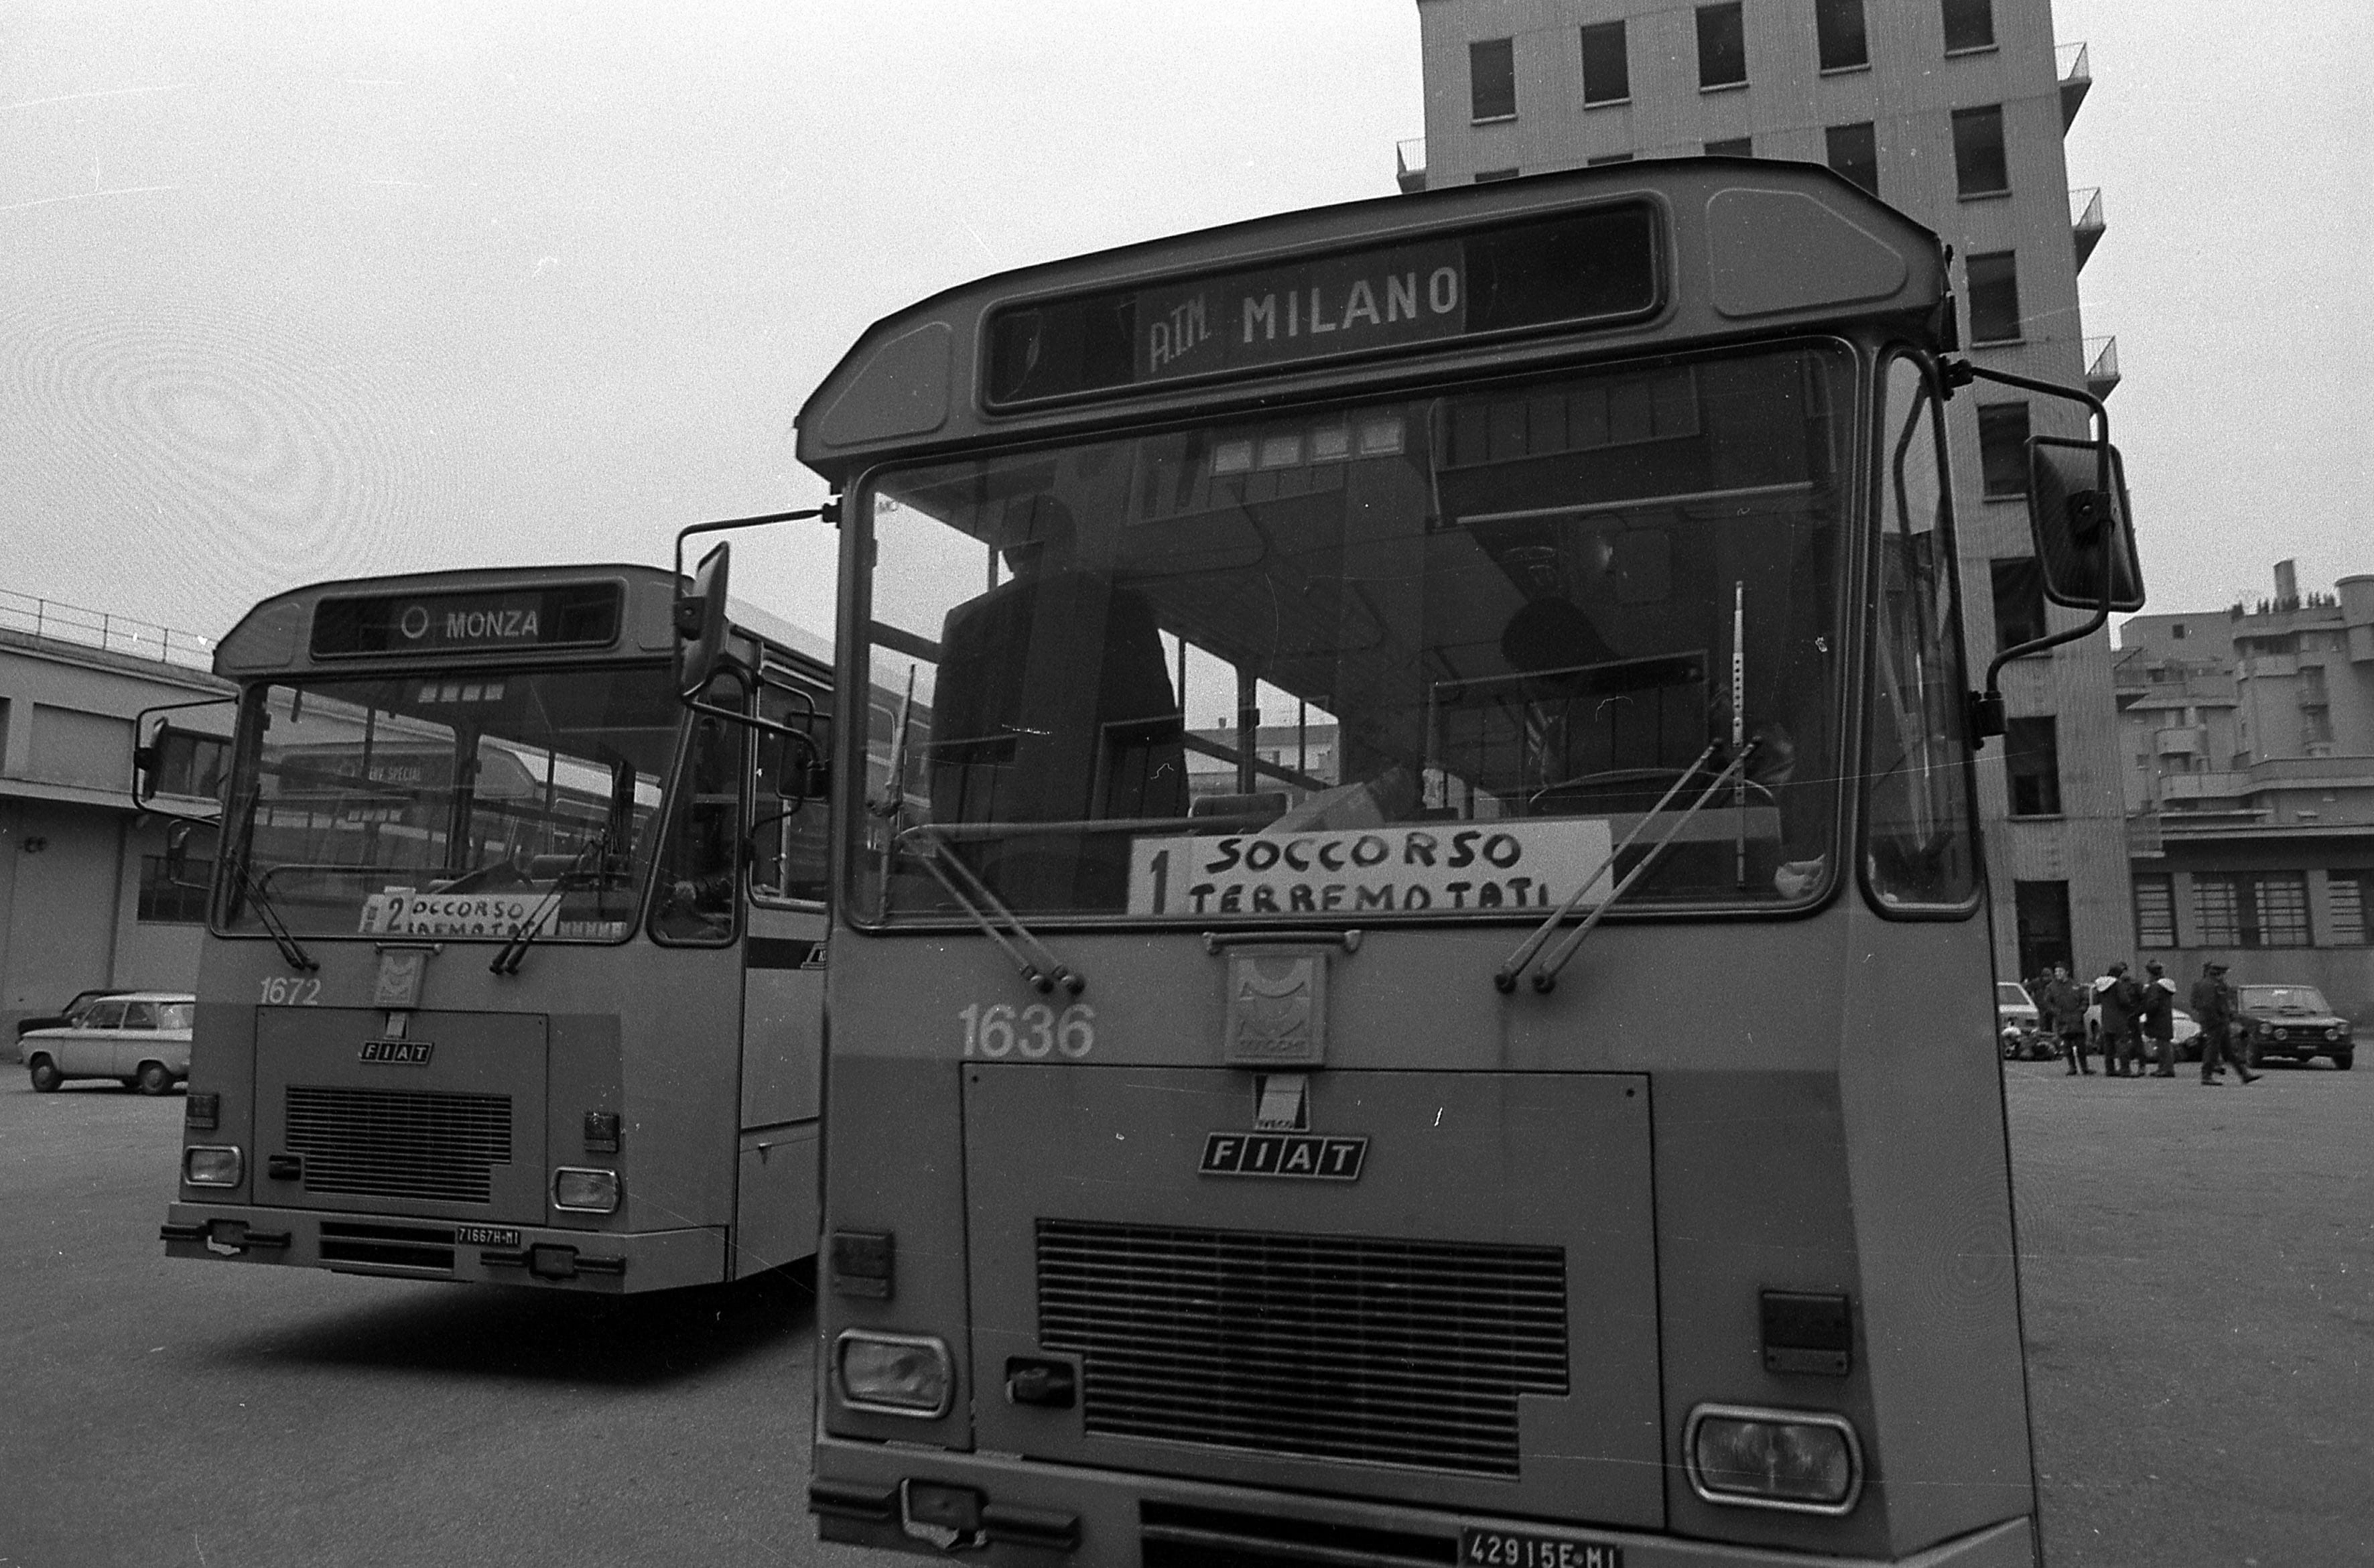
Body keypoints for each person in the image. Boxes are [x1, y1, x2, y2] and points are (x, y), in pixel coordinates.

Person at [2188, 960, 2257, 1086]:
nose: (2223, 975)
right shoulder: (2216, 985)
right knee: (2212, 1048)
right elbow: (2217, 1004)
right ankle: (2206, 1075)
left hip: (2211, 1020)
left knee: (2228, 1051)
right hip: (2217, 1021)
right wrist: (2221, 1018)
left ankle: (2244, 1075)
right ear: (2217, 973)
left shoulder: (2199, 984)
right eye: (2222, 973)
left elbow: (2194, 1003)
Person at [2040, 964, 2089, 1076]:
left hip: (2077, 1020)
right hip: (2062, 1020)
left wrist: (2081, 1011)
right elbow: (2047, 1003)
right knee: (2067, 1046)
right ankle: (2072, 1067)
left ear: (2066, 972)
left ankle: (2085, 1068)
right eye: (2056, 972)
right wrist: (2056, 1012)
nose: (2058, 974)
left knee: (2081, 1045)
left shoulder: (2076, 985)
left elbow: (2084, 999)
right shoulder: (2051, 987)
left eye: (2060, 971)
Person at [2139, 959, 2179, 1077]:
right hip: (2165, 1017)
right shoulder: (2166, 987)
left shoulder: (2155, 987)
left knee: (2162, 1046)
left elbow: (2152, 1004)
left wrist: (2147, 1011)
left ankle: (2165, 1069)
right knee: (2165, 1044)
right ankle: (2165, 1067)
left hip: (2157, 1018)